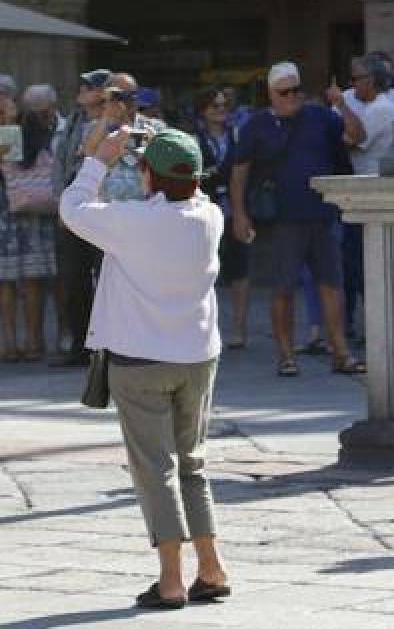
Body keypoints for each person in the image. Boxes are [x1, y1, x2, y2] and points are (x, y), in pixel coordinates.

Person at [60, 127, 230, 609]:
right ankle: (211, 567)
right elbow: (188, 189)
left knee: (155, 470)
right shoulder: (211, 217)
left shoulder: (131, 220)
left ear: (147, 174)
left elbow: (72, 208)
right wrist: (163, 153)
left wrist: (99, 159)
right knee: (192, 463)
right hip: (197, 356)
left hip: (140, 359)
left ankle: (172, 580)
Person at [230, 61, 364, 377]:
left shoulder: (320, 116)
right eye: (284, 92)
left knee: (332, 284)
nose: (292, 96)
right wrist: (239, 214)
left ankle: (340, 352)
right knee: (283, 288)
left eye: (296, 90)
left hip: (322, 213)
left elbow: (357, 136)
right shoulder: (255, 125)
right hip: (281, 219)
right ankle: (286, 355)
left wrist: (341, 103)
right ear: (271, 94)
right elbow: (239, 172)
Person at [327, 54, 394, 341]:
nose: (352, 84)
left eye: (356, 78)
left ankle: (374, 327)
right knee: (352, 264)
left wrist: (341, 105)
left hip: (370, 194)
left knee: (361, 265)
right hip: (357, 193)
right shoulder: (365, 103)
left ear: (371, 80)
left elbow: (352, 139)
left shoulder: (383, 108)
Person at [51, 68, 111, 367]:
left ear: (104, 92)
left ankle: (107, 346)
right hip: (73, 211)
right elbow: (60, 165)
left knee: (107, 279)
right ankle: (79, 345)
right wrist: (63, 204)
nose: (82, 89)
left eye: (89, 86)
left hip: (103, 211)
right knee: (73, 279)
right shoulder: (73, 121)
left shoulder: (114, 123)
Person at [0, 85, 61, 361]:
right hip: (36, 213)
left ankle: (10, 343)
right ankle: (34, 341)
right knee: (33, 282)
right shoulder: (41, 131)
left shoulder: (12, 133)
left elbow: (8, 163)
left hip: (9, 212)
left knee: (7, 283)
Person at [195, 87, 250, 349]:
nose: (220, 111)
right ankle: (206, 327)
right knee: (206, 270)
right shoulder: (195, 139)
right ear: (203, 110)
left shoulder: (238, 135)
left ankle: (239, 328)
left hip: (236, 208)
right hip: (206, 210)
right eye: (214, 106)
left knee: (240, 267)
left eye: (224, 106)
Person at [82, 74, 166, 203]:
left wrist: (126, 121)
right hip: (107, 208)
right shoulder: (94, 128)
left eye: (131, 95)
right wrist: (107, 115)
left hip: (143, 207)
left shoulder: (155, 126)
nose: (126, 100)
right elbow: (90, 153)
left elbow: (151, 157)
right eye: (119, 95)